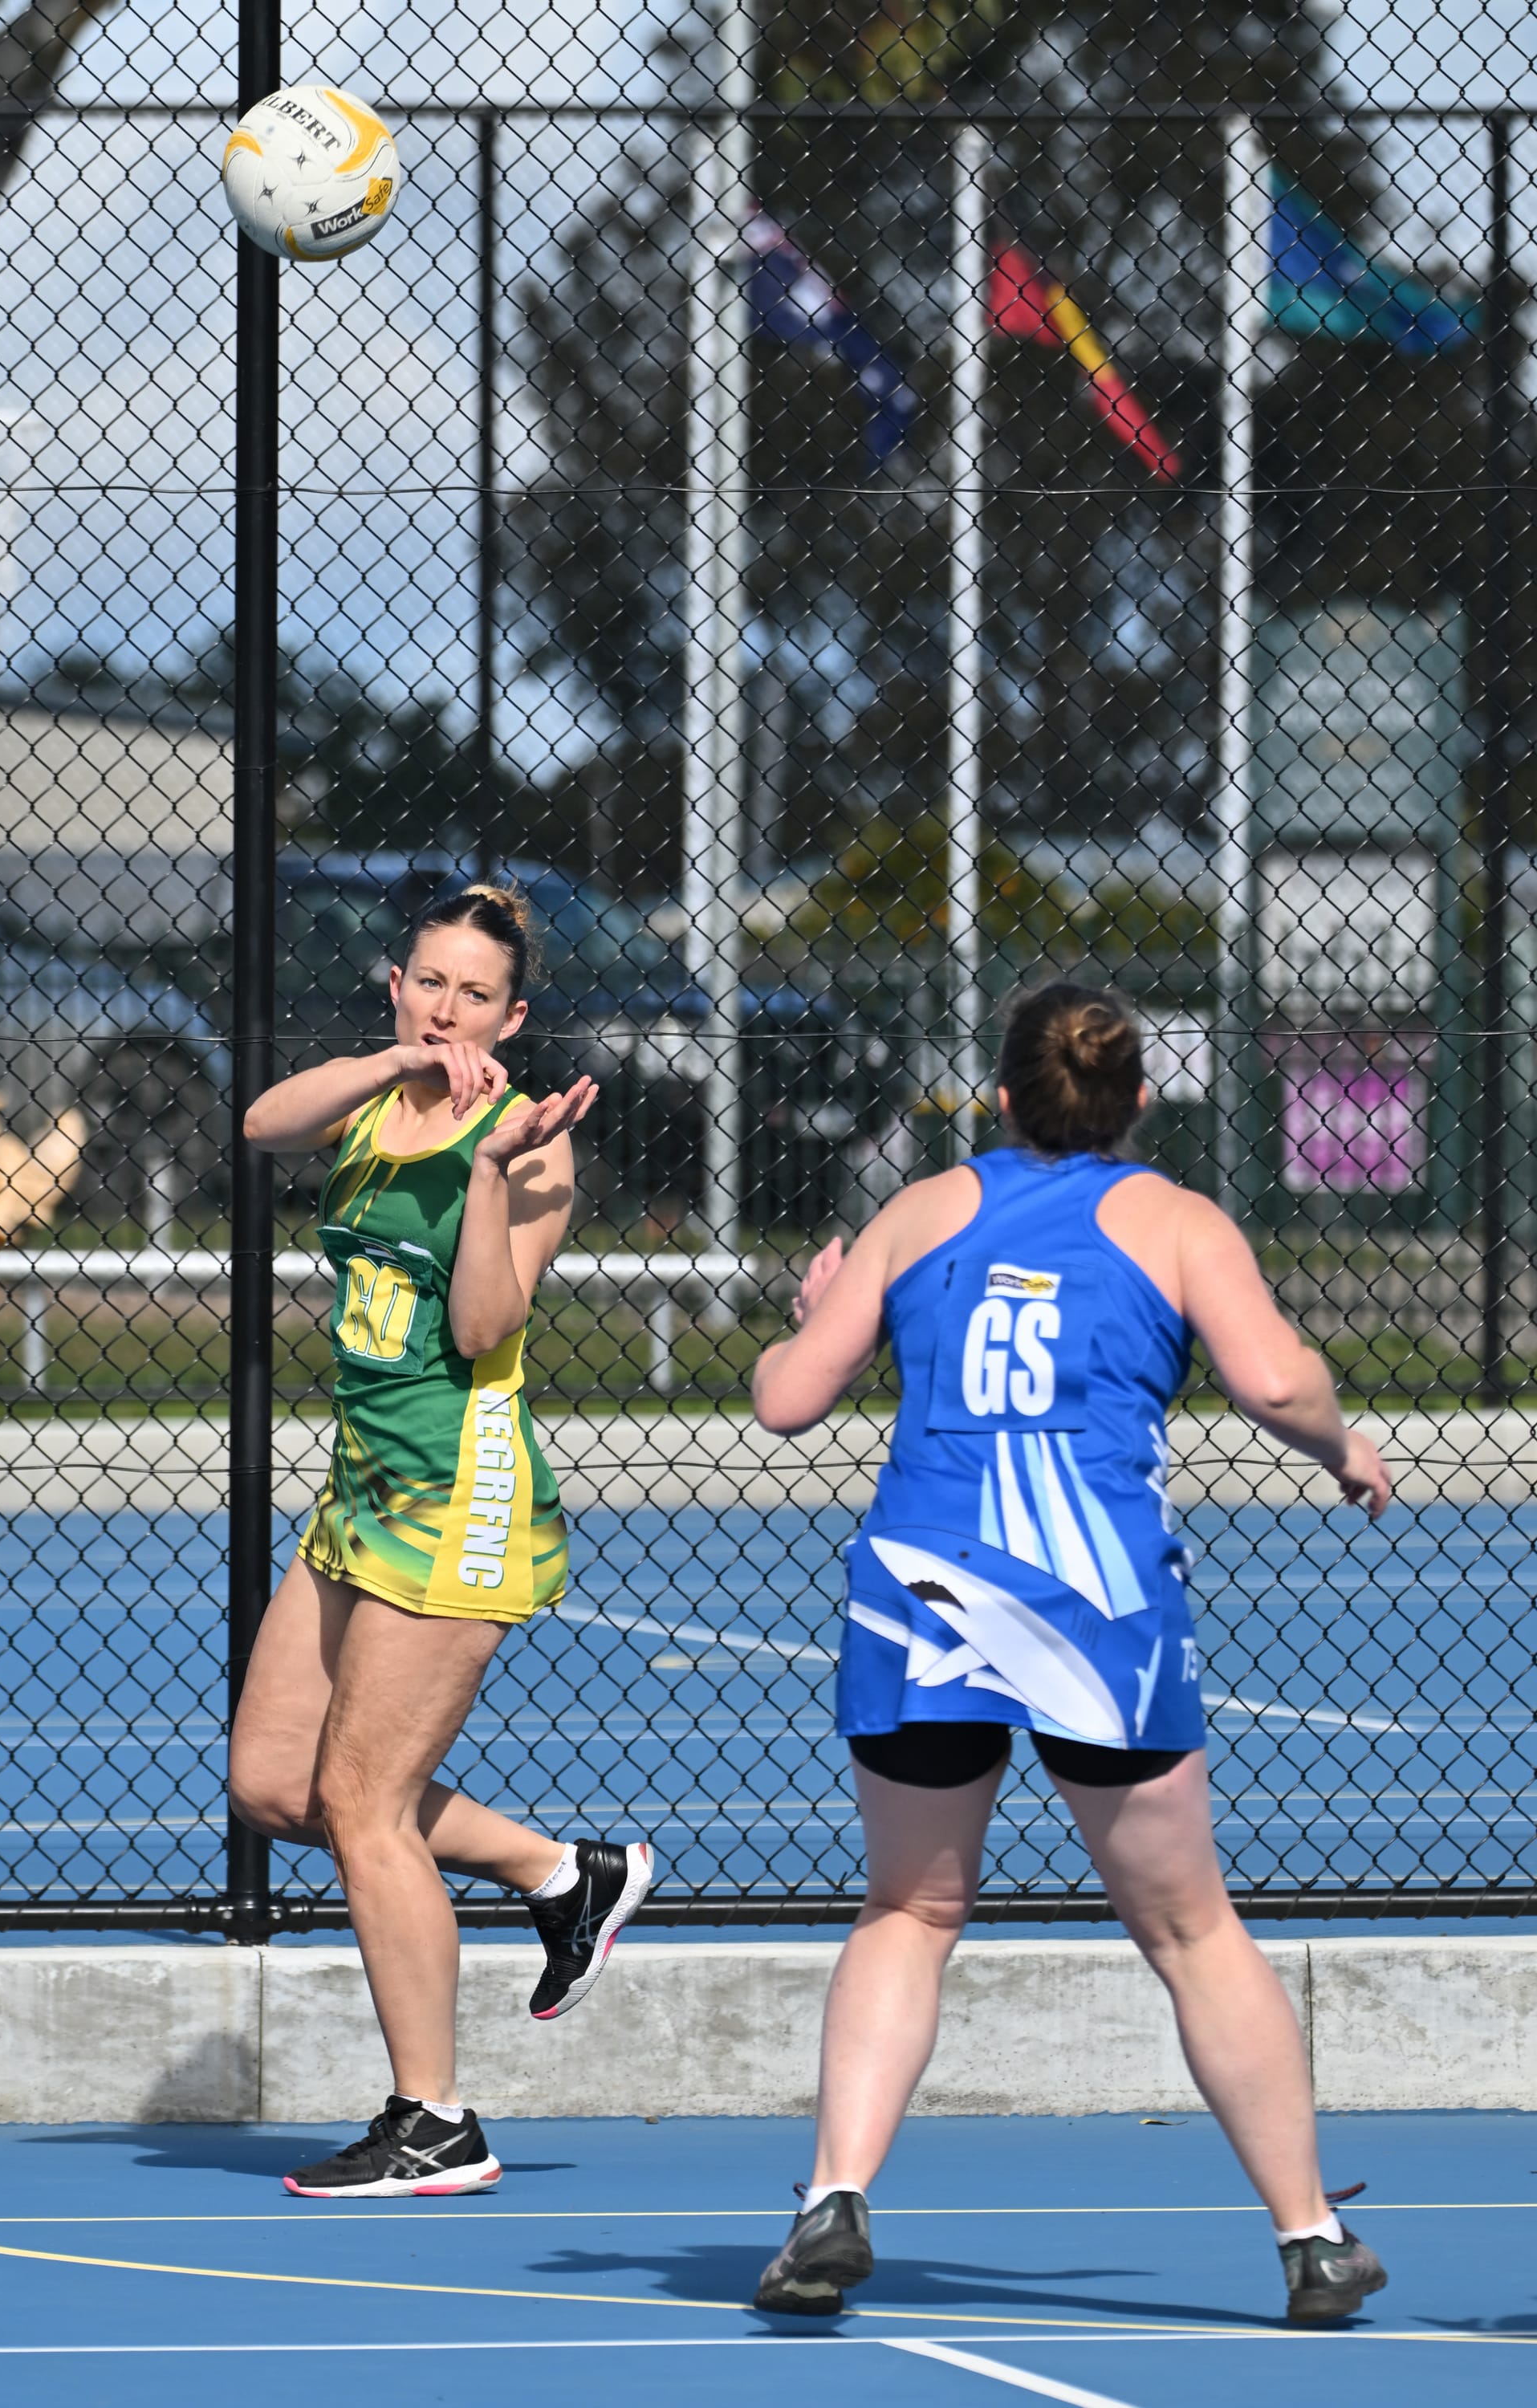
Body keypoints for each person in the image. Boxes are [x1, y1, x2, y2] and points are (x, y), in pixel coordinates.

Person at [749, 982, 1392, 2326]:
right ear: (1140, 1101)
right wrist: (1342, 1444)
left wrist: (818, 1310)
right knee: (1192, 1928)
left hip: (926, 1586)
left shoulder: (922, 1210)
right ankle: (1309, 2236)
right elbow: (1275, 1382)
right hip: (1094, 1598)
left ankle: (832, 2200)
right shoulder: (1176, 1221)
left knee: (910, 1912)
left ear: (996, 1098)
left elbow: (788, 1400)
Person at [229, 882, 653, 2200]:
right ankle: (559, 1871)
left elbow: (480, 1326)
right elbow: (260, 1124)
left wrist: (479, 1170)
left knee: (362, 1806)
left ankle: (436, 2120)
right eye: (429, 983)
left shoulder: (530, 1144)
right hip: (362, 1489)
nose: (449, 1007)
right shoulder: (371, 1095)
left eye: (474, 994)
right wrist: (399, 1065)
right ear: (397, 985)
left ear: (513, 1015)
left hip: (456, 1503)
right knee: (269, 1784)